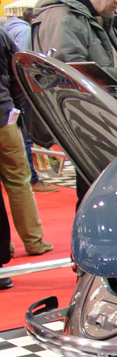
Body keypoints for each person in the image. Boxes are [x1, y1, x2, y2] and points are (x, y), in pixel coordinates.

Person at [0, 27, 54, 273]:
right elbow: (18, 70)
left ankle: (4, 247)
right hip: (5, 116)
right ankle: (34, 241)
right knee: (19, 181)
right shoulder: (2, 34)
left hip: (5, 112)